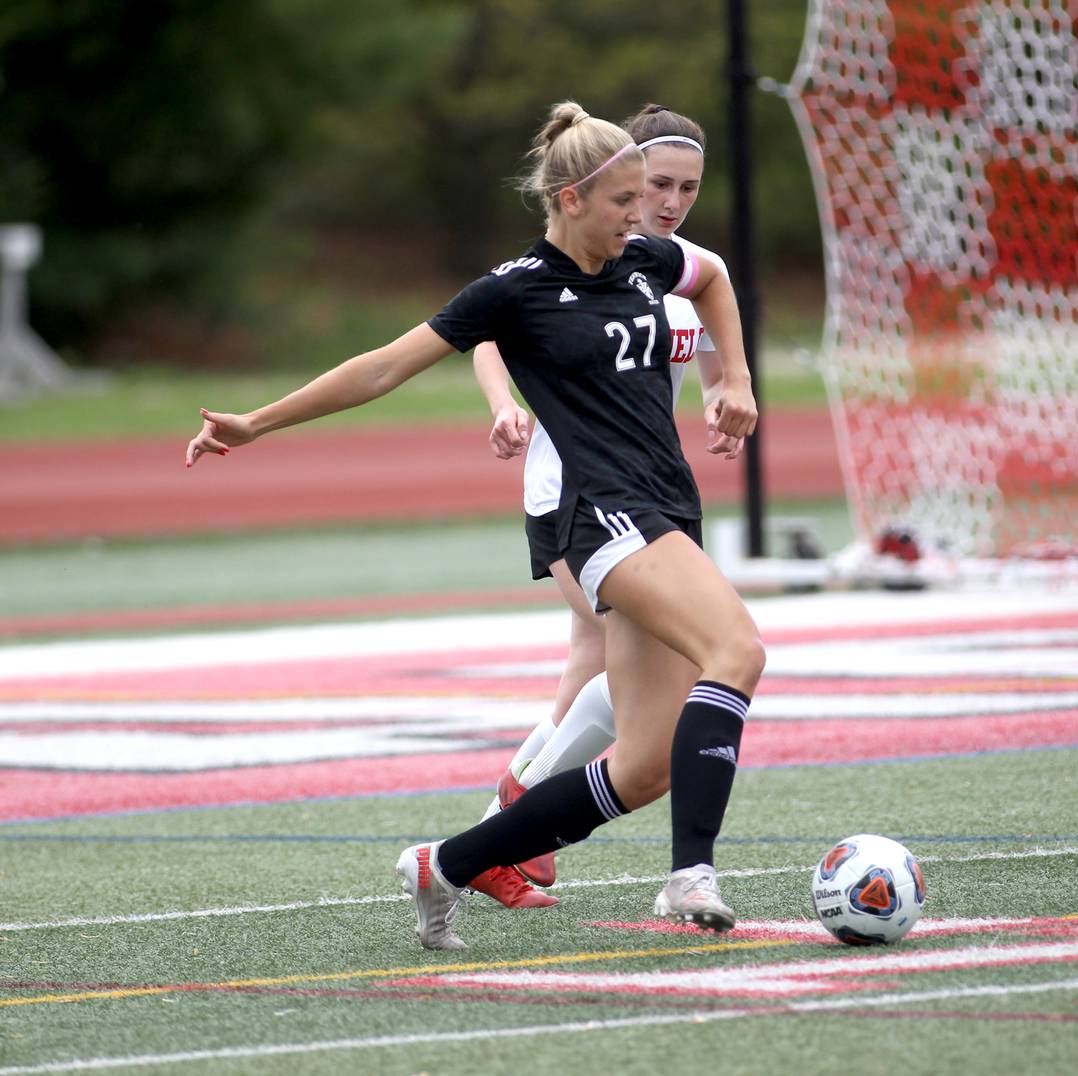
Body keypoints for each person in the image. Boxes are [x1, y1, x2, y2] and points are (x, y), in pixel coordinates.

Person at [186, 100, 764, 948]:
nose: (643, 216)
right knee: (739, 650)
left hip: (668, 507)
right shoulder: (514, 291)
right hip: (603, 519)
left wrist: (735, 378)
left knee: (641, 767)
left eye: (650, 198)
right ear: (569, 199)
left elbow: (710, 278)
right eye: (625, 200)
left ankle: (446, 864)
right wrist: (256, 423)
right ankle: (690, 876)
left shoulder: (646, 262)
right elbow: (381, 367)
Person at [467, 104, 740, 906]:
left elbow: (717, 333)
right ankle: (507, 835)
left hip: (647, 495)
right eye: (656, 183)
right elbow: (487, 325)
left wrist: (732, 391)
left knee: (610, 671)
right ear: (614, 180)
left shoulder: (670, 265)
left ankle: (502, 835)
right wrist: (502, 402)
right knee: (632, 665)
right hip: (575, 493)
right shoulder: (586, 254)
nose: (671, 199)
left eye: (688, 186)